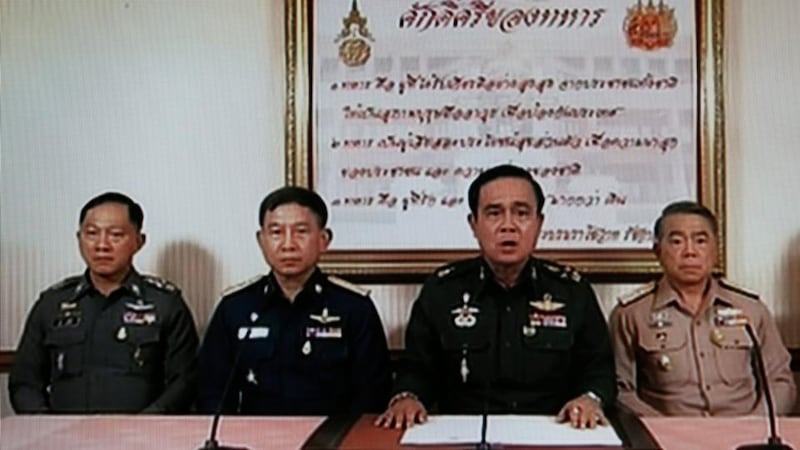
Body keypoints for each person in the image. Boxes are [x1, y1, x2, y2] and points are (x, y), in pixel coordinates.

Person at [375, 164, 616, 429]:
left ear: (539, 223)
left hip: (553, 433)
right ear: (473, 224)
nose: (508, 226)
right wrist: (408, 397)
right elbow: (416, 369)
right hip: (462, 436)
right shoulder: (442, 290)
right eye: (494, 213)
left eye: (522, 213)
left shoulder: (572, 291)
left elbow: (599, 371)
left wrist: (591, 398)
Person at [197, 186, 391, 415]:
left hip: (331, 440)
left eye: (301, 232)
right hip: (253, 440)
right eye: (276, 232)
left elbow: (373, 394)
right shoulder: (235, 308)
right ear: (261, 240)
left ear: (323, 240)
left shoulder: (354, 307)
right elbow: (212, 392)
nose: (288, 245)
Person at [9, 192, 199, 413]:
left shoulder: (165, 304)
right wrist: (45, 427)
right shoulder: (52, 304)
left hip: (142, 440)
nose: (102, 245)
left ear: (139, 241)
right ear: (78, 237)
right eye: (91, 234)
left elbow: (184, 382)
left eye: (116, 235)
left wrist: (146, 426)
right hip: (63, 440)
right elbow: (25, 383)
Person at [609, 201, 796, 416]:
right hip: (667, 441)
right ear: (657, 250)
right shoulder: (630, 314)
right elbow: (621, 390)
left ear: (716, 249)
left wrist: (754, 425)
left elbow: (779, 380)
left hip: (746, 438)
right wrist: (663, 431)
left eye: (700, 241)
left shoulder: (751, 308)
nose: (690, 251)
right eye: (677, 241)